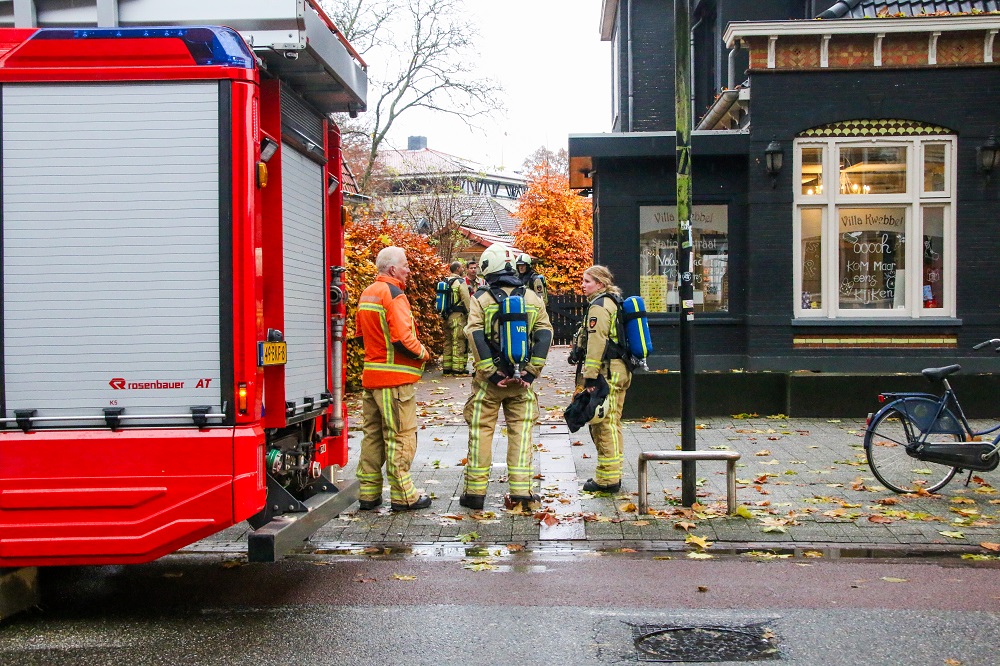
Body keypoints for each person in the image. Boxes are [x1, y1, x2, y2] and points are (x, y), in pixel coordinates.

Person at [460, 243, 553, 511]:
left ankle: (475, 494)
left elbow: (473, 333)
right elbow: (545, 333)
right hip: (521, 382)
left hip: (489, 384)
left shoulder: (481, 298)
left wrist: (491, 373)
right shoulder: (533, 298)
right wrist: (531, 373)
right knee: (521, 433)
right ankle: (521, 492)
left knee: (481, 432)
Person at [354, 246, 433, 512]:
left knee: (372, 437)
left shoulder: (367, 293)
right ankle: (404, 496)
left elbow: (360, 335)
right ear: (392, 270)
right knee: (401, 436)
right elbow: (402, 339)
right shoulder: (395, 295)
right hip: (395, 383)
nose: (409, 270)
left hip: (372, 379)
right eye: (405, 266)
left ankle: (369, 493)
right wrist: (424, 353)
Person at [574, 265, 632, 493]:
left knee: (604, 425)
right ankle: (612, 474)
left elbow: (596, 343)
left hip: (608, 371)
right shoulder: (613, 301)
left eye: (587, 281)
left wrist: (589, 377)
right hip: (620, 369)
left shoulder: (599, 306)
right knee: (613, 422)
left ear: (600, 283)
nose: (583, 284)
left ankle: (608, 480)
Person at [441, 260, 471, 375]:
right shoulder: (460, 282)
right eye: (461, 267)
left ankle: (447, 368)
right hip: (458, 316)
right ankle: (458, 369)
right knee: (458, 341)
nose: (463, 269)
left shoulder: (445, 281)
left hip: (446, 316)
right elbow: (466, 299)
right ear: (458, 269)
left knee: (448, 341)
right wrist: (470, 314)